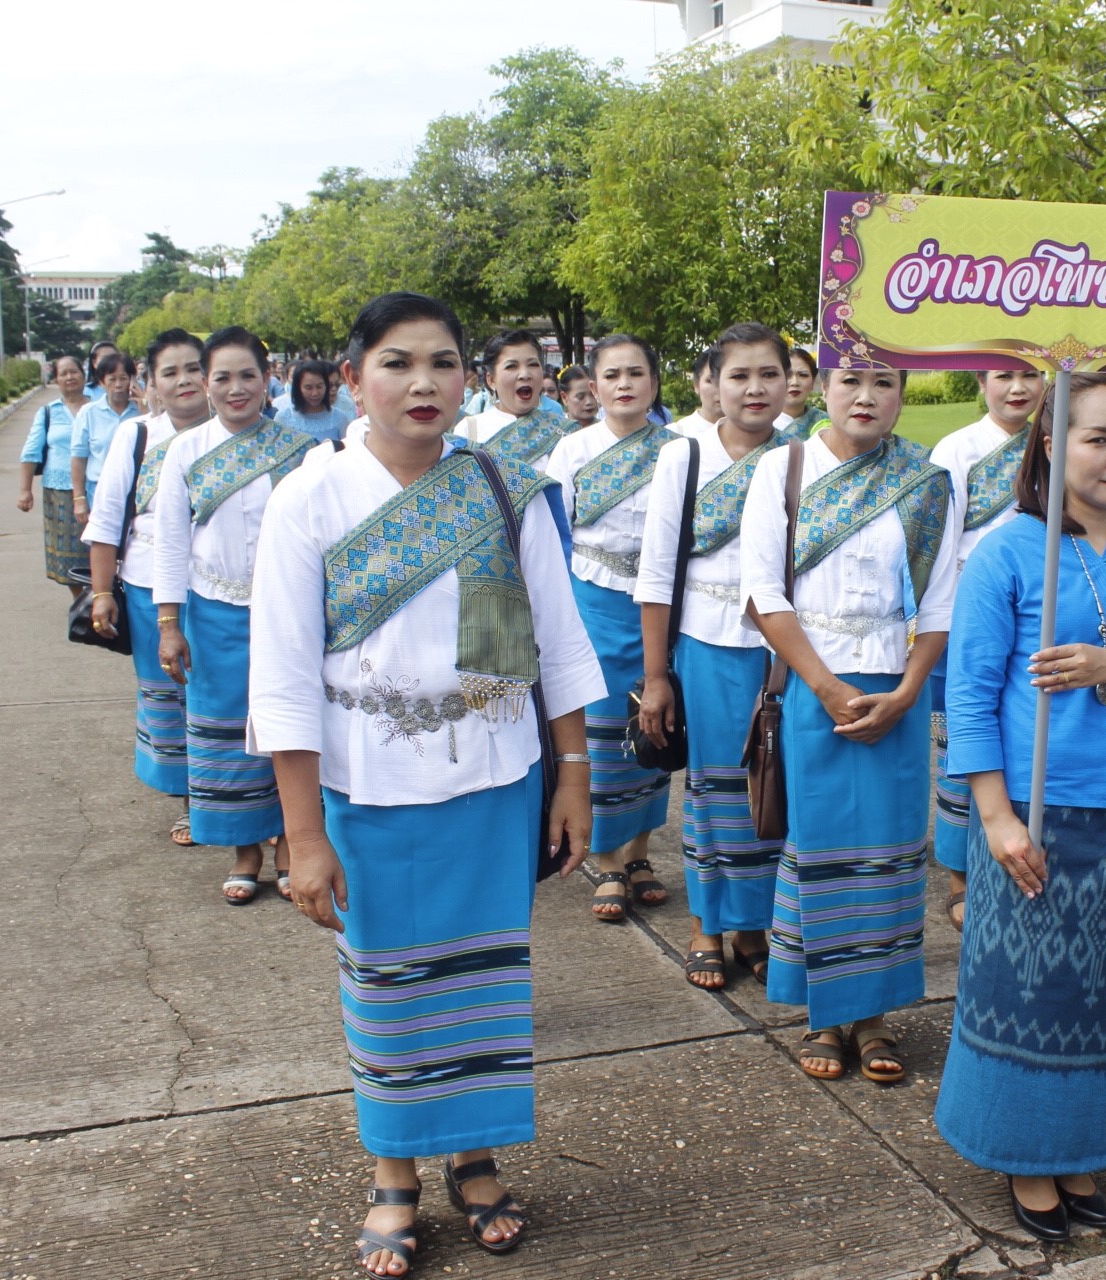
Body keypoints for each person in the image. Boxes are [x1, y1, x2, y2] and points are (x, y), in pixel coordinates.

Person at [250, 292, 603, 1278]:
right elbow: (280, 677)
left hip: (494, 781)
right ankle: (394, 1169)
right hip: (370, 790)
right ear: (353, 376)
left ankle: (476, 1153)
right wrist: (304, 835)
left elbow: (558, 644)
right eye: (398, 362)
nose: (423, 382)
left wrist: (573, 777)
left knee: (484, 980)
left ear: (469, 378)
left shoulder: (504, 487)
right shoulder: (305, 501)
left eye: (444, 362)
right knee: (392, 988)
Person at [936, 371, 1106, 1242]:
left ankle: (1086, 1149)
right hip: (1033, 817)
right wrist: (997, 819)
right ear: (1053, 444)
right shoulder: (1009, 552)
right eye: (1098, 438)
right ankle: (1023, 1155)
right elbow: (970, 696)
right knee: (1031, 994)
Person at [740, 359, 957, 1084]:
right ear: (823, 389)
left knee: (892, 852)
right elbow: (763, 593)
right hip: (814, 687)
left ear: (904, 393)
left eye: (886, 383)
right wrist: (827, 687)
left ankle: (876, 1015)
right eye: (850, 382)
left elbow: (940, 604)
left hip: (898, 692)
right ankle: (826, 1014)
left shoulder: (927, 484)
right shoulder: (782, 470)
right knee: (823, 844)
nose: (866, 398)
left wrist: (907, 695)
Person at [635, 324, 794, 988]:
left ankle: (755, 926)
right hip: (707, 647)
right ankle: (707, 924)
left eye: (768, 374)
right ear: (713, 384)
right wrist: (653, 677)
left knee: (770, 787)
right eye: (739, 375)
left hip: (783, 651)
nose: (754, 388)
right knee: (714, 790)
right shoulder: (684, 458)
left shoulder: (805, 459)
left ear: (790, 382)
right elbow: (654, 570)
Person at [153, 327, 318, 905]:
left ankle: (290, 846)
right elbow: (169, 541)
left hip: (287, 615)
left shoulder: (299, 451)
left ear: (267, 378)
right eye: (221, 377)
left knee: (288, 724)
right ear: (205, 383)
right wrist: (168, 624)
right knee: (224, 731)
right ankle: (243, 851)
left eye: (247, 375)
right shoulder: (185, 451)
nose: (235, 388)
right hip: (213, 615)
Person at [545, 336, 677, 923]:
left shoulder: (680, 451)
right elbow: (555, 535)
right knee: (601, 735)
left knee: (654, 728)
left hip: (660, 609)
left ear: (654, 382)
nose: (625, 384)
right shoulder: (571, 451)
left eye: (637, 373)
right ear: (593, 387)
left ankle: (641, 853)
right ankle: (606, 860)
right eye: (612, 375)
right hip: (591, 604)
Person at [80, 330, 213, 846]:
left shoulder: (241, 437)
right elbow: (108, 518)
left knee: (224, 700)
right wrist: (102, 591)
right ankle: (189, 802)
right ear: (151, 382)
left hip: (223, 593)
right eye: (170, 372)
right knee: (173, 696)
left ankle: (242, 803)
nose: (184, 381)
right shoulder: (136, 437)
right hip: (147, 588)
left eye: (193, 369)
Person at [926, 368, 1046, 930]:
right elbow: (942, 541)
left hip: (1037, 613)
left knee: (1019, 735)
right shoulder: (959, 449)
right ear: (981, 381)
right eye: (1004, 376)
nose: (1017, 388)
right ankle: (958, 874)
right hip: (972, 612)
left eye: (1029, 375)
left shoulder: (1054, 437)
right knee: (965, 738)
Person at [17, 354, 93, 599]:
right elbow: (30, 452)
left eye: (74, 372)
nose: (70, 377)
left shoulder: (98, 407)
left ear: (84, 376)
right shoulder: (48, 412)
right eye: (64, 373)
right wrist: (25, 490)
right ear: (56, 380)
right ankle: (79, 599)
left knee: (99, 545)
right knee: (69, 550)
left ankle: (101, 593)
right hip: (59, 491)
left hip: (96, 485)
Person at [459, 330, 571, 469]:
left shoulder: (562, 430)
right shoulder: (469, 430)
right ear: (491, 380)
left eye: (533, 364)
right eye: (511, 366)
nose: (525, 374)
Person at [71, 351, 143, 524]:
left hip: (139, 491)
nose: (118, 385)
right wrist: (79, 499)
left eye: (123, 378)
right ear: (102, 382)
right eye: (112, 379)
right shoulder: (89, 413)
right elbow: (78, 459)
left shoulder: (142, 411)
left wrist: (145, 405)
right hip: (100, 491)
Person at [274, 358, 350, 441]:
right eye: (308, 388)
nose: (315, 393)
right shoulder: (283, 418)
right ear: (298, 388)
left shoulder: (339, 418)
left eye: (319, 387)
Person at [675, 346, 722, 436]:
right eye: (710, 381)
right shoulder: (676, 433)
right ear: (696, 385)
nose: (720, 389)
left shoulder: (754, 433)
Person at [779, 346, 824, 435]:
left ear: (813, 381)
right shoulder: (760, 423)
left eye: (803, 375)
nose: (795, 382)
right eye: (788, 375)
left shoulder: (824, 423)